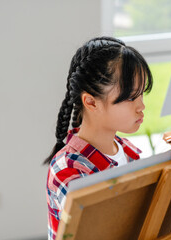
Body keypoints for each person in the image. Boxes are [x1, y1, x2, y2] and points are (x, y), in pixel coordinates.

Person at [43, 36, 153, 240]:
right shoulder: (68, 171)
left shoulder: (128, 150)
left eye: (141, 95)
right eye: (130, 98)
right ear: (91, 103)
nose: (141, 107)